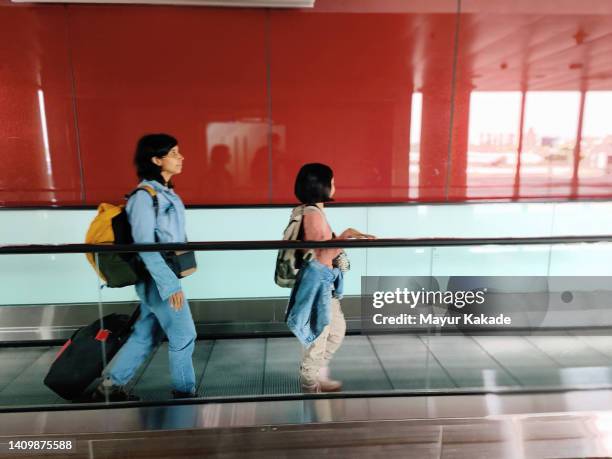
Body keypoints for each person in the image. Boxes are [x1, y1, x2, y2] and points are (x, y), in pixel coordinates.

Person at [94, 133, 197, 401]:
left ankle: (110, 387)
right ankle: (185, 392)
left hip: (164, 276)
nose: (181, 157)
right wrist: (170, 285)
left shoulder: (165, 192)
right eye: (174, 153)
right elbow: (145, 246)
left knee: (146, 334)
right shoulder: (144, 196)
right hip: (157, 279)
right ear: (156, 159)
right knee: (184, 334)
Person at [289, 163, 374, 393]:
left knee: (336, 330)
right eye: (332, 181)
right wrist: (346, 236)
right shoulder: (312, 215)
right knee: (319, 335)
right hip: (318, 285)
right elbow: (323, 254)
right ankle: (310, 383)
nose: (334, 185)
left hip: (325, 283)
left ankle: (315, 373)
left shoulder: (313, 211)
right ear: (321, 185)